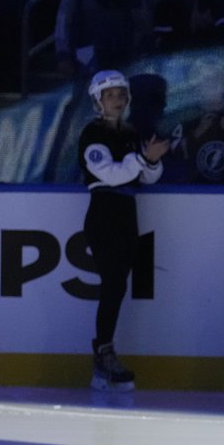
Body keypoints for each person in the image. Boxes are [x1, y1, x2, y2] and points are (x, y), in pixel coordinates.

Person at [78, 69, 169, 390]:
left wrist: (152, 161)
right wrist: (144, 158)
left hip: (127, 214)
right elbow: (109, 173)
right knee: (113, 284)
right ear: (98, 101)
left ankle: (105, 352)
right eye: (109, 95)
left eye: (120, 95)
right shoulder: (92, 133)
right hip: (104, 214)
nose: (116, 100)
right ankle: (103, 354)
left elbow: (144, 177)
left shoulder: (130, 132)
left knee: (117, 285)